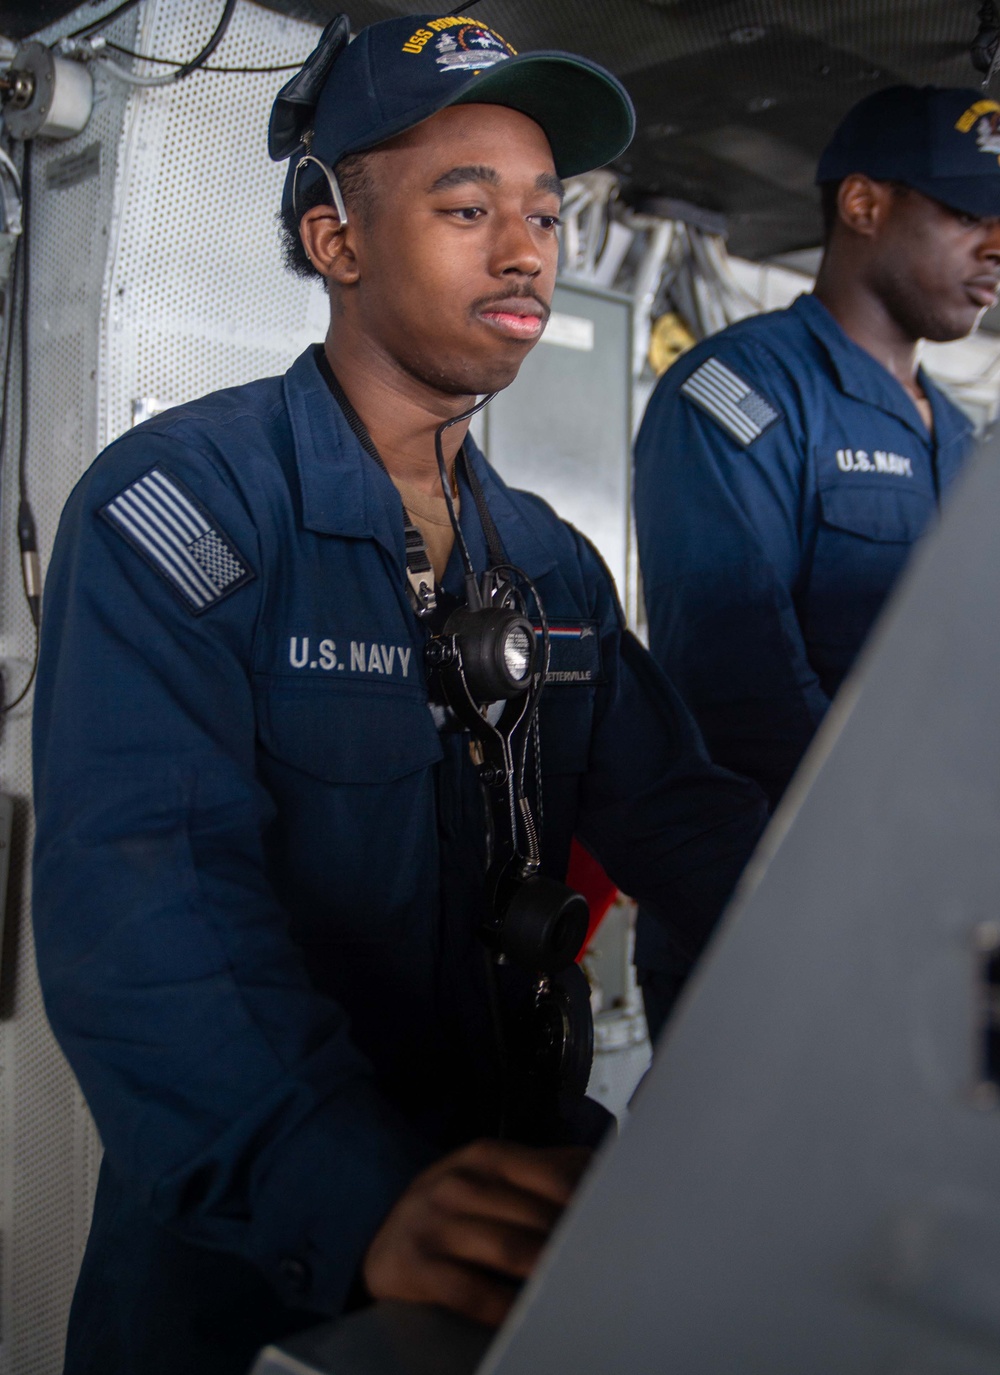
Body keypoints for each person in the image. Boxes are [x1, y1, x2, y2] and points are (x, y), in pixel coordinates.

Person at [31, 13, 767, 1375]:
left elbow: (692, 825)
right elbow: (146, 913)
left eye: (546, 213)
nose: (525, 248)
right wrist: (349, 1191)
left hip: (521, 1221)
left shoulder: (551, 562)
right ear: (337, 241)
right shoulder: (183, 513)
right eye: (466, 206)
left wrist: (850, 991)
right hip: (264, 1271)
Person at [633, 84, 1000, 1038]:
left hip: (933, 925)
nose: (996, 246)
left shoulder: (963, 441)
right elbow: (741, 683)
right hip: (773, 914)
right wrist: (914, 849)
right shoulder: (739, 395)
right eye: (967, 214)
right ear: (865, 204)